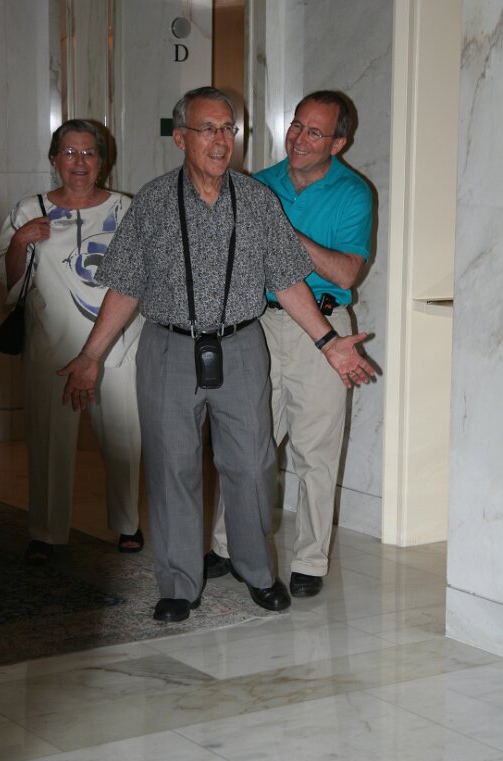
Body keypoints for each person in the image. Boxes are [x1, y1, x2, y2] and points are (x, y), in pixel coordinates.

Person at [58, 87, 374, 623]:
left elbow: (288, 281)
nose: (221, 140)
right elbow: (126, 285)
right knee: (172, 468)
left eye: (228, 129)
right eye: (208, 129)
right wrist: (91, 355)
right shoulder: (154, 202)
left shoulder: (257, 200)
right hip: (168, 348)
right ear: (180, 138)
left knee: (252, 466)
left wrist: (328, 344)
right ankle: (179, 585)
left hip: (244, 346)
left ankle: (257, 571)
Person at [206, 91, 373, 598]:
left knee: (315, 451)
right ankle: (225, 544)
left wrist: (282, 232)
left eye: (314, 132)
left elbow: (346, 272)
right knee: (246, 442)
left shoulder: (354, 193)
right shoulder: (257, 183)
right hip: (257, 322)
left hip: (322, 326)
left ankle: (310, 561)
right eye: (297, 125)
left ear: (339, 142)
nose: (299, 138)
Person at [0, 119, 144, 564]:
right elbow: (8, 281)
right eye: (70, 152)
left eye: (88, 152)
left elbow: (144, 274)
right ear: (54, 159)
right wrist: (20, 241)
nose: (79, 162)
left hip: (116, 346)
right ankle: (45, 531)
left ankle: (128, 523)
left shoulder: (126, 209)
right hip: (52, 348)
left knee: (123, 440)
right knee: (49, 443)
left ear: (102, 160)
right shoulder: (29, 210)